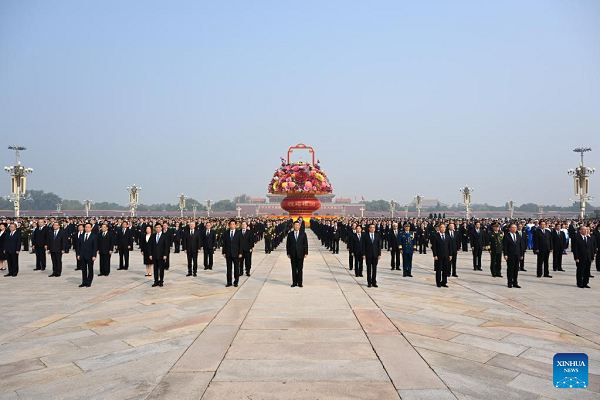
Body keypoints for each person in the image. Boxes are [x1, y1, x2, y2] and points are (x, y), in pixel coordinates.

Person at [286, 220, 308, 287]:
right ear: (293, 226)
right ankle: (294, 282)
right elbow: (288, 244)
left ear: (299, 226)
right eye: (295, 225)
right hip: (292, 254)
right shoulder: (290, 234)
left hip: (300, 254)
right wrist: (288, 253)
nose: (296, 226)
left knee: (300, 269)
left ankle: (300, 283)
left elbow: (305, 244)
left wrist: (306, 253)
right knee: (293, 269)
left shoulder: (303, 234)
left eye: (298, 225)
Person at [222, 220, 242, 287]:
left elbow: (240, 244)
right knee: (228, 269)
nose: (232, 225)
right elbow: (224, 243)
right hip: (228, 253)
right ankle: (229, 282)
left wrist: (240, 253)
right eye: (231, 224)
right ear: (229, 225)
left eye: (233, 224)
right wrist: (223, 252)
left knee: (236, 268)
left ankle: (236, 281)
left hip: (236, 253)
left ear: (236, 225)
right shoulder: (226, 233)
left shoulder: (239, 233)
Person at [503, 223, 523, 288]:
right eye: (513, 227)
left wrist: (521, 254)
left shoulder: (518, 235)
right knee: (510, 269)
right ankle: (509, 282)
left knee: (516, 269)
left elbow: (520, 246)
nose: (514, 229)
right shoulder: (506, 235)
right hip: (510, 255)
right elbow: (505, 246)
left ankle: (515, 282)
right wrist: (505, 254)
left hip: (517, 255)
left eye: (515, 227)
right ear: (510, 228)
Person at [77, 223, 97, 287]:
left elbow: (95, 247)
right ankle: (84, 281)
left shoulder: (94, 236)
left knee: (90, 269)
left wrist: (94, 255)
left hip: (90, 255)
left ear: (91, 228)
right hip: (82, 255)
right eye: (86, 227)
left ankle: (89, 282)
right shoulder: (81, 236)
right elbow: (79, 246)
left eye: (88, 227)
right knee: (84, 269)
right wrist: (78, 254)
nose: (87, 228)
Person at [432, 224, 451, 288]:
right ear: (439, 228)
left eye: (444, 227)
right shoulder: (435, 236)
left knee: (445, 269)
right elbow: (434, 247)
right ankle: (438, 282)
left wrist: (450, 255)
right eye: (441, 228)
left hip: (446, 255)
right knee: (438, 269)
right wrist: (435, 255)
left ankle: (444, 282)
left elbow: (449, 246)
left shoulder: (447, 236)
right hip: (438, 256)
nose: (443, 229)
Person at [150, 223, 169, 287]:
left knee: (161, 269)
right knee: (155, 269)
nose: (157, 229)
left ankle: (161, 281)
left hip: (162, 255)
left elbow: (166, 246)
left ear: (161, 228)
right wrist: (150, 254)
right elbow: (151, 246)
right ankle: (156, 281)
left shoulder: (165, 235)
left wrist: (165, 255)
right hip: (154, 255)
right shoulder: (153, 235)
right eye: (156, 227)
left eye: (158, 227)